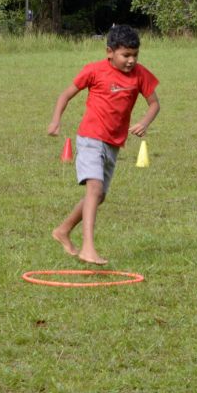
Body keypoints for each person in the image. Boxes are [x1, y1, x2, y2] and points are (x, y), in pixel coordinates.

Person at [47, 25, 160, 265]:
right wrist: (56, 121)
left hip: (114, 144)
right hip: (90, 137)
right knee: (94, 189)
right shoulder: (94, 71)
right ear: (110, 52)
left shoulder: (140, 74)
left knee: (98, 196)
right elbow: (65, 94)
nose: (131, 61)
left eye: (135, 55)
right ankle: (88, 248)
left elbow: (154, 104)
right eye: (125, 55)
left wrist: (144, 122)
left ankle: (63, 230)